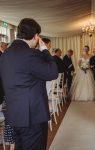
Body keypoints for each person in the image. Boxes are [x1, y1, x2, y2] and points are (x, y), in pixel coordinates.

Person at [0, 18, 58, 150]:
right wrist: (44, 50)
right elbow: (53, 73)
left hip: (14, 115)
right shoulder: (31, 54)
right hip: (32, 117)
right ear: (36, 36)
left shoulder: (5, 54)